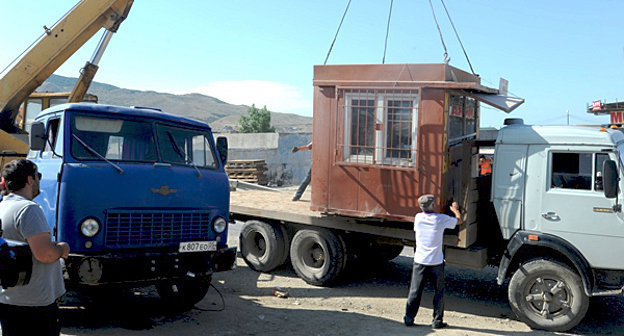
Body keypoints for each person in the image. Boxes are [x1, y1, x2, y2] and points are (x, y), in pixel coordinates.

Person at [0, 159, 70, 336]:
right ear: (30, 180)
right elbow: (45, 254)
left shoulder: (3, 206)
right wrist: (62, 249)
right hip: (35, 304)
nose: (39, 181)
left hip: (9, 299)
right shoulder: (28, 209)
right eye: (38, 176)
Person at [404, 194, 462, 329]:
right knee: (439, 291)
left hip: (420, 261)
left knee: (415, 291)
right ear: (432, 205)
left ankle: (409, 318)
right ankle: (437, 321)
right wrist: (455, 210)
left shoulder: (418, 218)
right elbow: (459, 221)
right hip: (436, 262)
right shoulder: (440, 219)